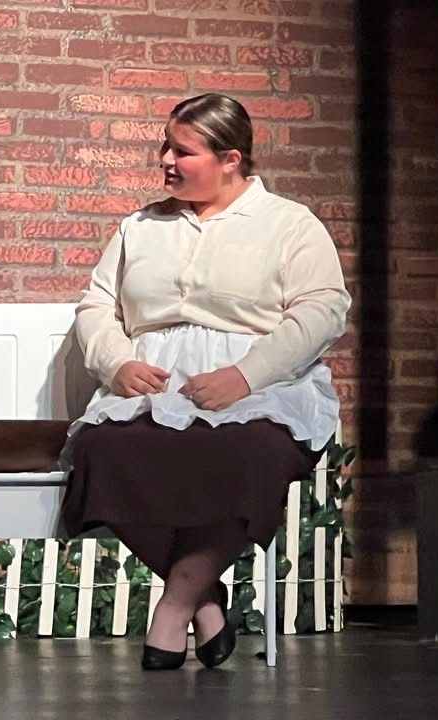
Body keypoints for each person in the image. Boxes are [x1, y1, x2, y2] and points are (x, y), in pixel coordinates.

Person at [61, 93, 350, 670]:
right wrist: (118, 363)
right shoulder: (140, 227)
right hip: (156, 387)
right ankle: (204, 597)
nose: (165, 159)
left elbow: (323, 310)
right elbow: (96, 306)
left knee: (249, 451)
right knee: (102, 448)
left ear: (231, 159)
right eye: (164, 145)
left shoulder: (288, 224)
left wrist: (245, 378)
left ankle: (173, 608)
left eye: (182, 150)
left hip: (262, 384)